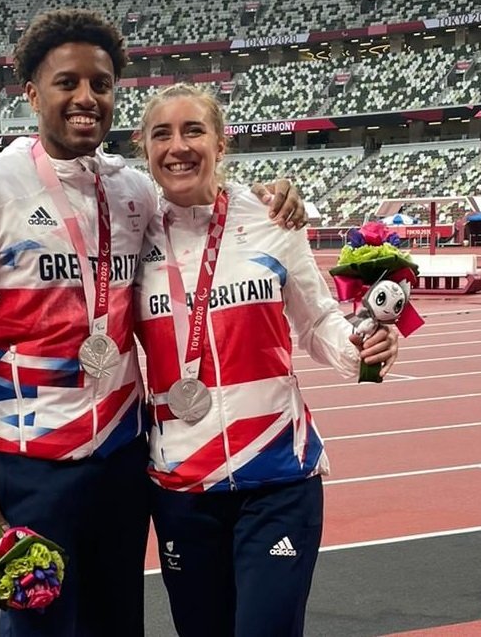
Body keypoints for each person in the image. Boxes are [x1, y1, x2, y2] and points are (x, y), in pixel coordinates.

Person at [0, 9, 306, 637]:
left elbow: (204, 205)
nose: (85, 98)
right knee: (39, 628)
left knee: (118, 623)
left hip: (123, 459)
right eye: (67, 83)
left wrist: (274, 196)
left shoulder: (133, 190)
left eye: (100, 85)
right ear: (32, 93)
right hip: (28, 461)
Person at [134, 84, 399, 637]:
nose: (178, 146)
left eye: (193, 130)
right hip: (183, 485)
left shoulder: (274, 219)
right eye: (162, 134)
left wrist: (360, 348)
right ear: (144, 148)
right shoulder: (131, 237)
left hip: (278, 475)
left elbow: (318, 319)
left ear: (220, 142)